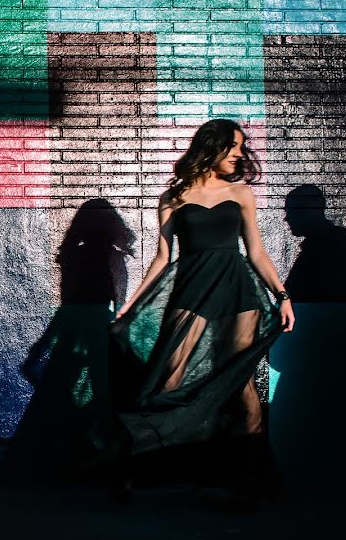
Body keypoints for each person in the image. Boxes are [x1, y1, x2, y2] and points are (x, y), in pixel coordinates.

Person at [106, 118, 295, 501]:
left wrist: (282, 294)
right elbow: (162, 259)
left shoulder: (241, 194)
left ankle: (249, 482)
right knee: (169, 382)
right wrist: (132, 302)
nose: (240, 154)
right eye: (234, 146)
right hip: (192, 289)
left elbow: (256, 251)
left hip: (236, 291)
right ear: (212, 147)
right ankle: (131, 471)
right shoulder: (173, 197)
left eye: (242, 146)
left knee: (240, 384)